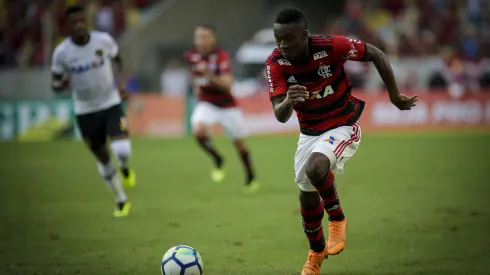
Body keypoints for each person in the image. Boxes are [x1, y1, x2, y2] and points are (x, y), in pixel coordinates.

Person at [266, 8, 417, 275]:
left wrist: (394, 95)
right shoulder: (276, 62)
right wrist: (289, 99)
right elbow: (280, 115)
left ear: (305, 35)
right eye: (279, 39)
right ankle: (315, 253)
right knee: (307, 195)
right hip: (309, 133)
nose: (283, 45)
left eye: (289, 38)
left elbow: (376, 54)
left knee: (315, 169)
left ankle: (337, 218)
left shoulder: (331, 46)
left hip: (342, 123)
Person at [51, 5, 136, 217]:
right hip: (85, 112)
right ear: (68, 26)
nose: (79, 26)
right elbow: (55, 84)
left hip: (112, 104)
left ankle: (125, 168)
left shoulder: (104, 41)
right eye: (74, 23)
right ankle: (120, 200)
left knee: (123, 149)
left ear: (87, 22)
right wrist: (63, 83)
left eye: (82, 21)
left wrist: (122, 84)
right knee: (103, 158)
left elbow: (119, 62)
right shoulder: (62, 53)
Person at [184, 25, 258, 193]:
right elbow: (193, 74)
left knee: (240, 144)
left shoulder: (221, 57)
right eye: (198, 37)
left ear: (213, 39)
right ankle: (217, 159)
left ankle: (250, 175)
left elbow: (227, 85)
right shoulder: (191, 56)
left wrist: (209, 75)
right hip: (207, 103)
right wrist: (197, 88)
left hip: (227, 105)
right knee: (198, 131)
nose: (200, 40)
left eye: (204, 37)